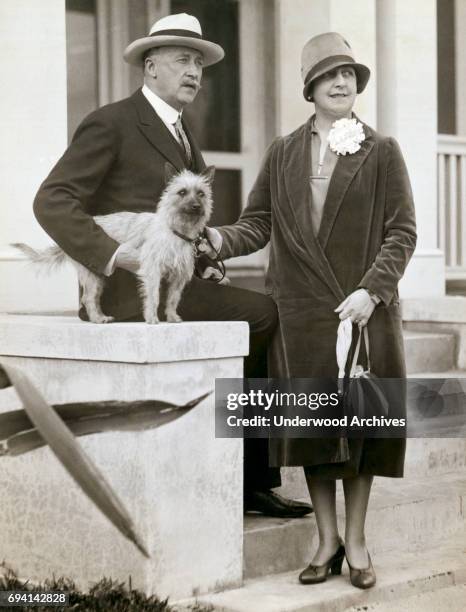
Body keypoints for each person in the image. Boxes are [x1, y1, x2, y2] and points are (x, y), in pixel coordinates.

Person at [32, 13, 311, 519]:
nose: (194, 72)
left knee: (265, 310)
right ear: (150, 65)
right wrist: (115, 254)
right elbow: (52, 202)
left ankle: (245, 469)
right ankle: (253, 478)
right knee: (264, 313)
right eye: (183, 59)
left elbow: (181, 222)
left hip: (171, 284)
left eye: (199, 63)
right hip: (126, 292)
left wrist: (203, 259)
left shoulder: (182, 133)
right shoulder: (112, 121)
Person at [206, 32, 416, 587]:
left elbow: (402, 232)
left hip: (361, 313)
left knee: (361, 428)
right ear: (311, 88)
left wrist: (372, 290)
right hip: (301, 314)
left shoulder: (382, 149)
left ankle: (360, 544)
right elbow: (259, 222)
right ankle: (326, 542)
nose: (343, 82)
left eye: (349, 73)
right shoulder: (283, 151)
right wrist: (216, 242)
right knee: (314, 430)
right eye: (330, 75)